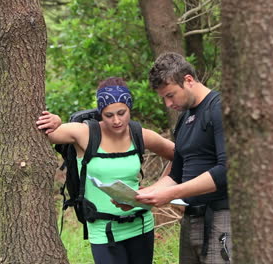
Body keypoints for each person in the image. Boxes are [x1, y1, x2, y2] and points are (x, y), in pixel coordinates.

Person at [36, 77, 174, 264]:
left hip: (142, 225)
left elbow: (181, 156)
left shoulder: (139, 134)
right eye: (109, 115)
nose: (117, 120)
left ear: (129, 109)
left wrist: (158, 188)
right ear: (100, 112)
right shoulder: (85, 133)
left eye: (122, 113)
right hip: (103, 229)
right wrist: (56, 120)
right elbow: (46, 134)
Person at [135, 52, 232, 264]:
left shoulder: (219, 108)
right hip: (191, 218)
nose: (168, 104)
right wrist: (143, 196)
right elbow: (177, 173)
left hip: (222, 216)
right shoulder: (184, 119)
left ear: (188, 80)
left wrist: (171, 194)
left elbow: (227, 170)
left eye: (170, 95)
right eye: (164, 99)